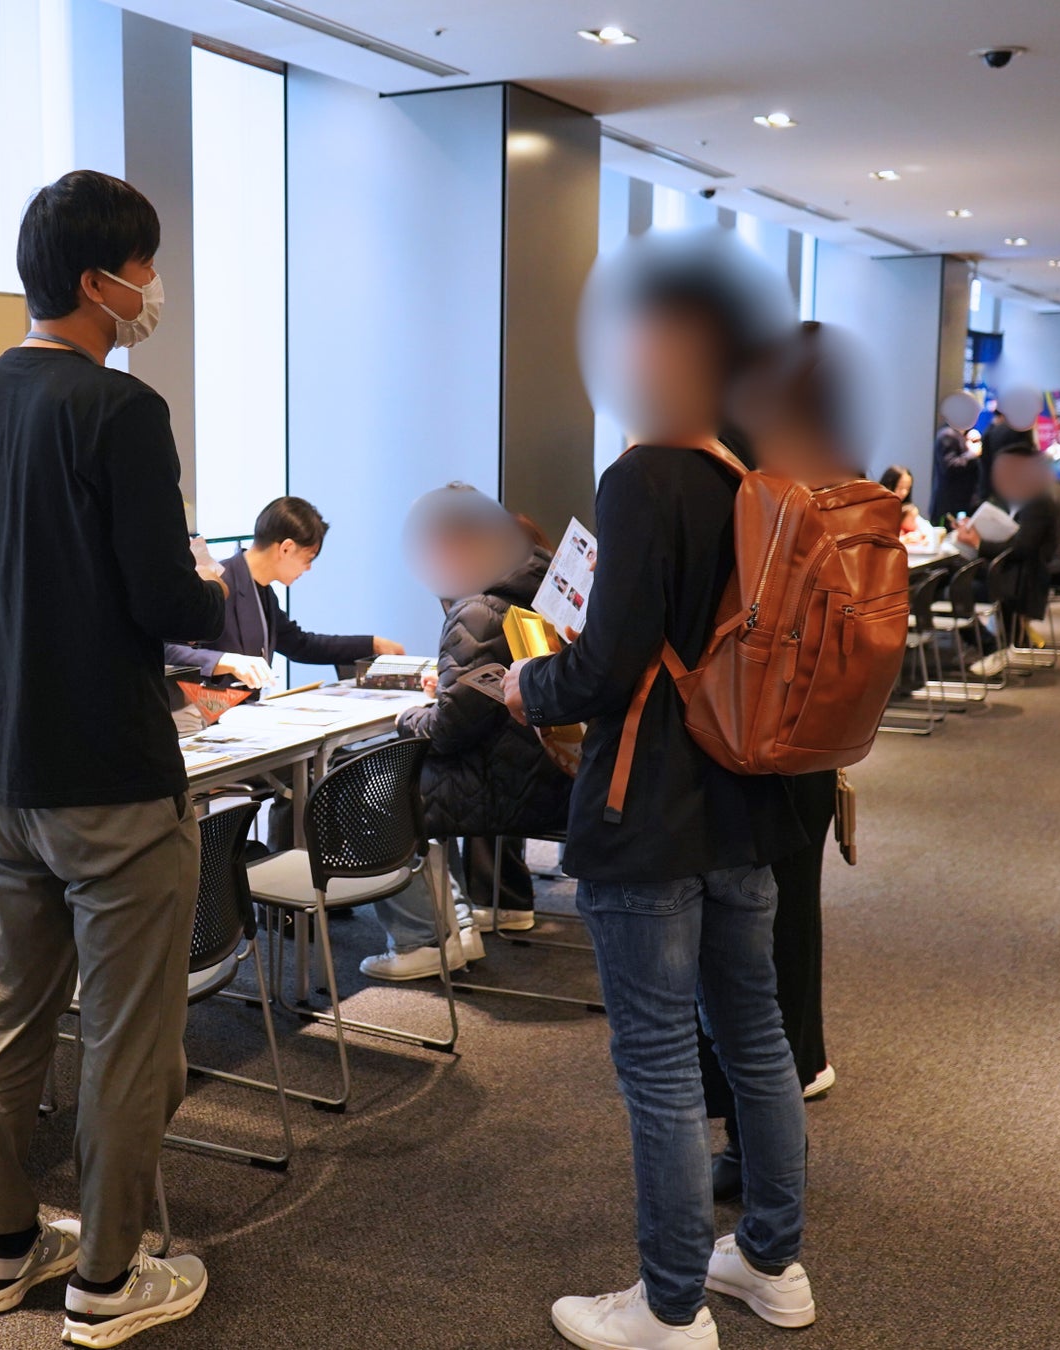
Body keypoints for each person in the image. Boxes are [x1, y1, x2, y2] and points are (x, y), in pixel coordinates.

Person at [0, 169, 220, 1346]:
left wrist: (25, 601)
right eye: (144, 268)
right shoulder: (119, 411)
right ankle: (104, 1276)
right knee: (129, 1040)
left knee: (7, 1016)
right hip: (113, 775)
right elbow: (163, 600)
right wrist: (206, 585)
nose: (153, 289)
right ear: (97, 283)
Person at [509, 230, 812, 1350]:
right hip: (745, 800)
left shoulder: (641, 478)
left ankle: (670, 1307)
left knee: (657, 1065)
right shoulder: (748, 483)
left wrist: (526, 686)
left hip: (650, 810)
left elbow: (607, 665)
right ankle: (770, 1262)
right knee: (755, 1039)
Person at [701, 321, 867, 1205]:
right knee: (787, 918)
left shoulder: (741, 464)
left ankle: (759, 1137)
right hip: (812, 725)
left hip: (742, 729)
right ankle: (798, 1070)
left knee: (742, 947)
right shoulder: (837, 467)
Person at [369, 484, 572, 980]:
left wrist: (406, 717)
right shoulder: (543, 586)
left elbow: (448, 730)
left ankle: (424, 939)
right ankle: (456, 927)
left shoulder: (479, 607)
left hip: (504, 784)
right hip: (551, 772)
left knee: (379, 791)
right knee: (414, 781)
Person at [166, 495, 402, 702]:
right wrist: (225, 660)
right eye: (308, 558)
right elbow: (168, 650)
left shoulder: (263, 590)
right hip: (205, 719)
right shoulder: (219, 583)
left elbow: (300, 645)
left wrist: (371, 644)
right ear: (286, 548)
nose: (308, 568)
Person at [954, 445, 1060, 637]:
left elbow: (1022, 548)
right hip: (1008, 571)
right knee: (953, 574)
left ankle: (986, 642)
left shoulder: (1038, 502)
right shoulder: (1014, 496)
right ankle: (988, 640)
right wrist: (975, 526)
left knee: (956, 587)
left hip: (1021, 579)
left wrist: (978, 543)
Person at [929, 420, 979, 524]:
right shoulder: (947, 435)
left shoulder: (964, 435)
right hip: (950, 505)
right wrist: (971, 455)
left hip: (963, 503)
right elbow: (950, 466)